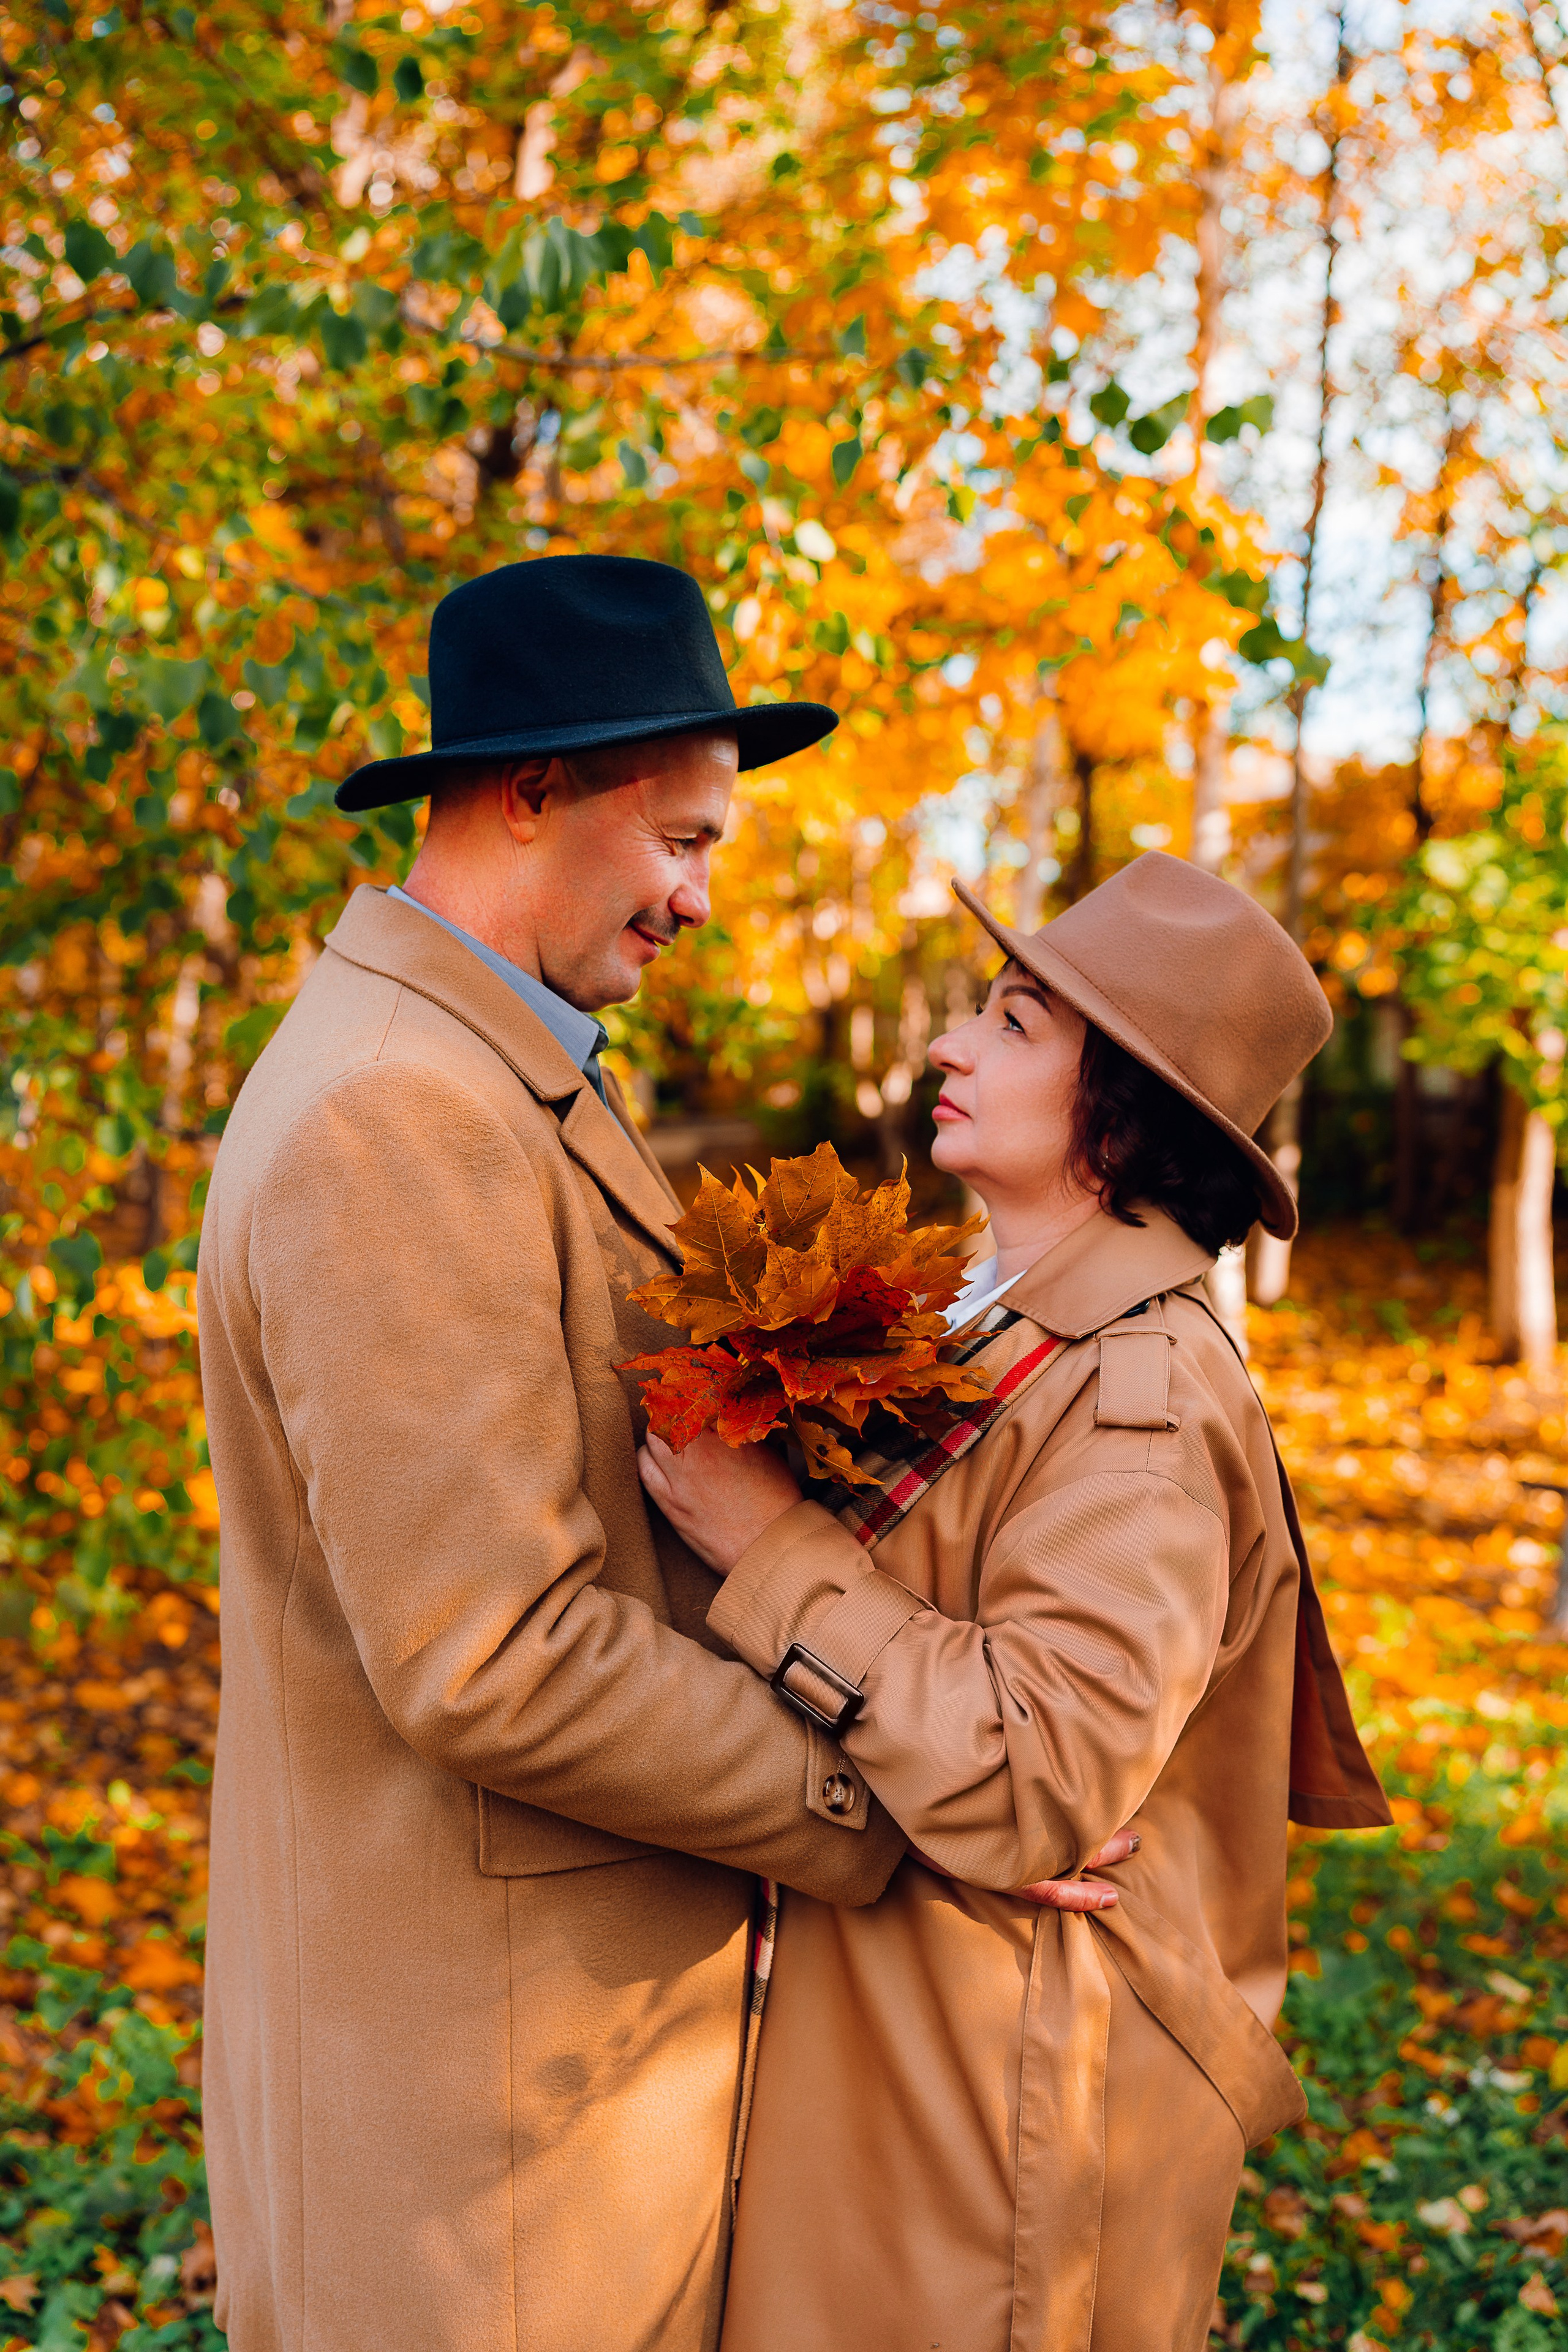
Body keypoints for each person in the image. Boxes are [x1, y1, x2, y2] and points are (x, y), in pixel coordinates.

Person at [197, 554, 1120, 2352]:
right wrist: (896, 1806)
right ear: (531, 788)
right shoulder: (399, 1113)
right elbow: (494, 1652)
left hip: (547, 2093)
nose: (702, 897)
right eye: (682, 839)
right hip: (489, 2144)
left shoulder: (495, 1069)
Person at [639, 852, 1392, 2352]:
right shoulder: (998, 1329)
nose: (948, 1046)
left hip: (1007, 2106)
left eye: (1016, 1024)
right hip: (918, 2049)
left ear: (1123, 1118)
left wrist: (768, 1545)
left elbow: (1035, 1779)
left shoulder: (1143, 1407)